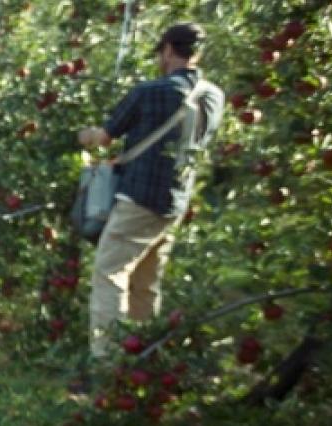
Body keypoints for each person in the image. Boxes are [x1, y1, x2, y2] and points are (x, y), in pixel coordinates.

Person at [77, 22, 225, 359]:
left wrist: (84, 136)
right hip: (174, 201)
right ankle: (143, 356)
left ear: (170, 49)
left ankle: (108, 362)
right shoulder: (214, 96)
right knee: (145, 282)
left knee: (110, 274)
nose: (160, 58)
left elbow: (104, 136)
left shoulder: (151, 91)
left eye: (161, 51)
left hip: (139, 199)